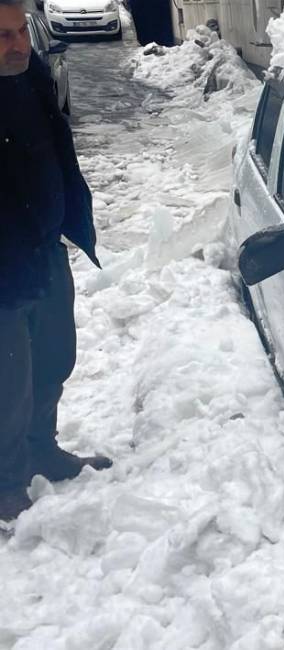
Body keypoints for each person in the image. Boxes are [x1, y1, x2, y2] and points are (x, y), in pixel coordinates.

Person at [1, 0, 112, 522]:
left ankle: (42, 447)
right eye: (2, 35)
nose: (18, 43)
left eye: (21, 30)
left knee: (53, 357)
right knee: (7, 382)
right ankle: (5, 479)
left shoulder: (31, 75)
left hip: (44, 249)